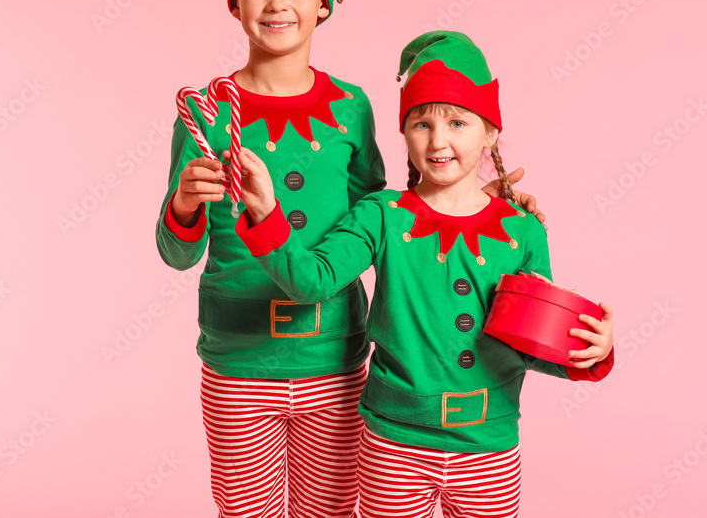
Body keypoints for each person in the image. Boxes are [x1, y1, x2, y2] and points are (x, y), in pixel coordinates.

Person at [157, 0, 540, 517]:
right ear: (233, 1)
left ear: (325, 1)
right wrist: (184, 208)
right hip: (238, 362)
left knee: (332, 511)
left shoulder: (351, 108)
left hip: (336, 360)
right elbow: (176, 253)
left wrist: (476, 197)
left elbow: (391, 214)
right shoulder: (205, 114)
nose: (277, 2)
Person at [231, 30, 614, 518]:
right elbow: (312, 280)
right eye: (421, 123)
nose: (439, 141)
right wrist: (267, 215)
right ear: (403, 131)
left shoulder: (521, 232)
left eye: (458, 122)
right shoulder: (381, 215)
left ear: (491, 131)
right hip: (393, 447)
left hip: (489, 449)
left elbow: (527, 337)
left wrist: (585, 354)